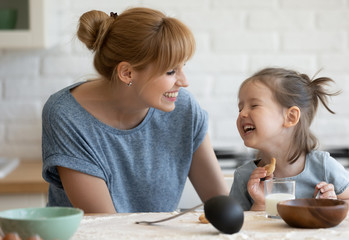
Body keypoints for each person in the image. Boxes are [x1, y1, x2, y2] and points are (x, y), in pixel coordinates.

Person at [41, 7, 228, 213]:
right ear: (127, 73)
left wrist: (255, 204)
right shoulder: (66, 115)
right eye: (171, 71)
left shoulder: (183, 108)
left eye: (183, 66)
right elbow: (104, 224)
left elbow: (223, 207)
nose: (184, 82)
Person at [229, 67, 349, 211]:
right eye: (240, 108)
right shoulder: (244, 177)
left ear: (291, 117)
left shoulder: (323, 167)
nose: (242, 114)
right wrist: (260, 203)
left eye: (254, 105)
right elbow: (239, 225)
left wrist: (331, 205)